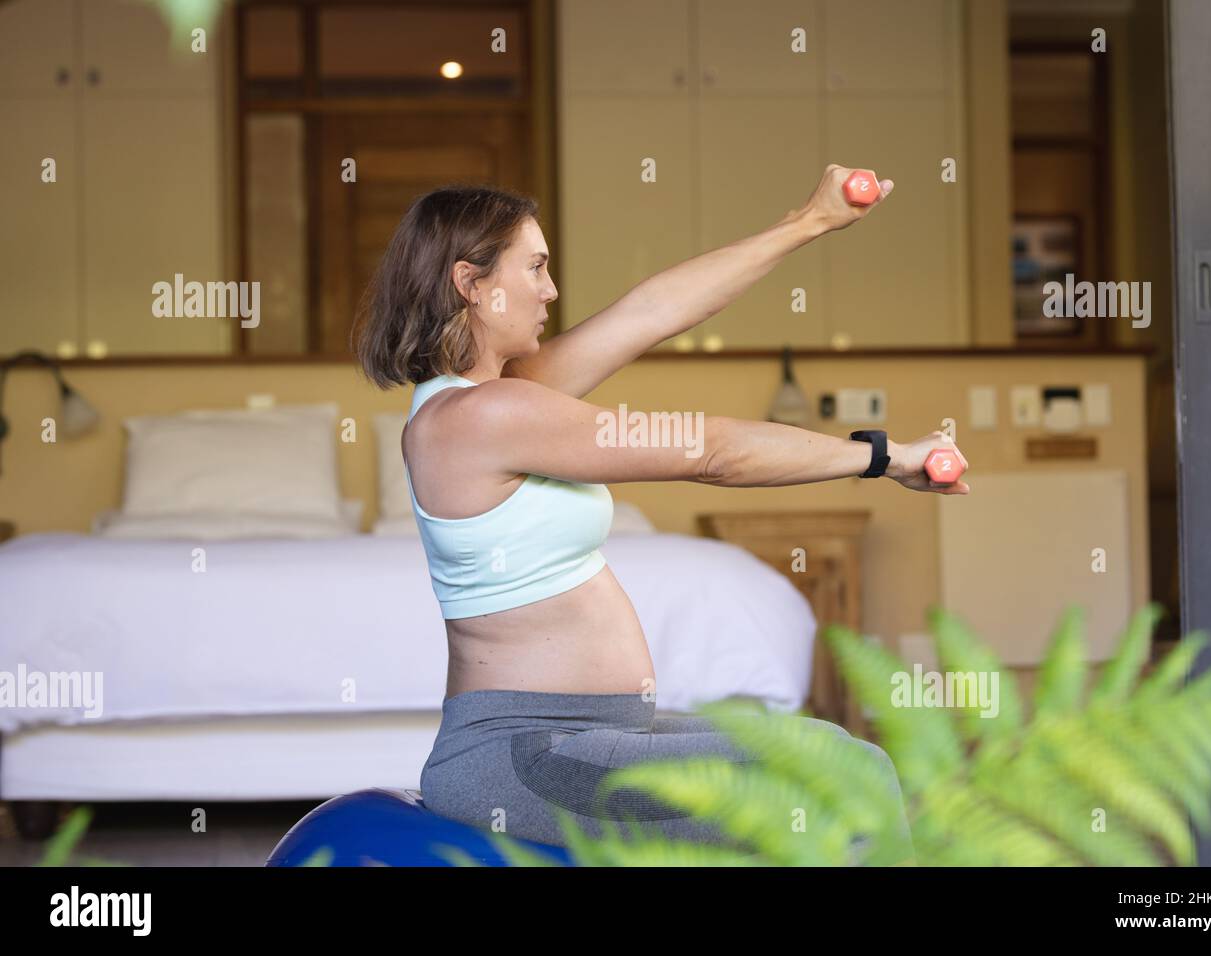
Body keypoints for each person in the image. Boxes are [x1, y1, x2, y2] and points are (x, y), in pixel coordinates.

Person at [352, 165, 969, 859]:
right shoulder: (484, 415)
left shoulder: (496, 397)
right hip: (525, 754)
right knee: (845, 775)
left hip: (584, 739)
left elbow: (654, 312)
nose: (551, 290)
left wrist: (810, 221)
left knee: (842, 760)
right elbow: (712, 452)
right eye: (536, 267)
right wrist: (881, 457)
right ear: (473, 283)